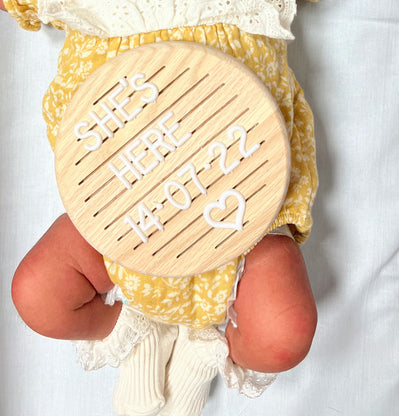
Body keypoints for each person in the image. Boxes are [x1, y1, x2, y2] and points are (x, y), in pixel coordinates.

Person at [1, 1, 318, 415]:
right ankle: (135, 331)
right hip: (118, 205)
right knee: (37, 295)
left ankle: (207, 349)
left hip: (243, 197)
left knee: (284, 332)